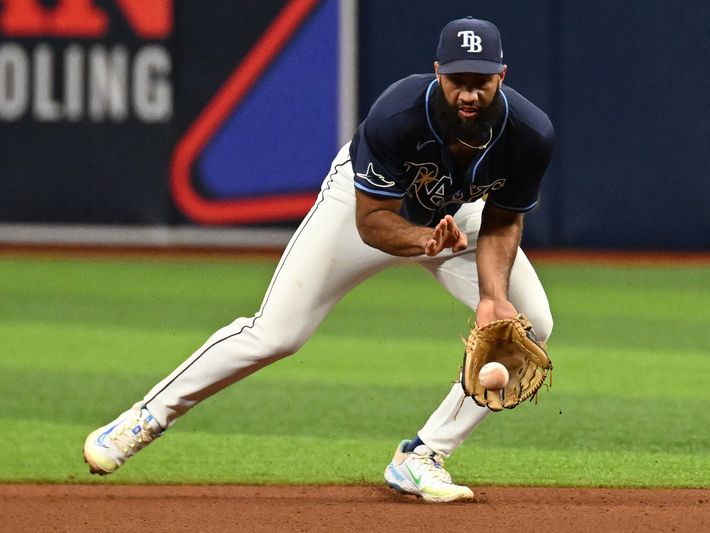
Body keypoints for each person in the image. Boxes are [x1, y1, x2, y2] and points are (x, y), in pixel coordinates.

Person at [83, 16, 554, 503]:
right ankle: (145, 417)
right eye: (458, 80)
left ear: (502, 75)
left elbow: (503, 220)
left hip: (460, 216)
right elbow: (371, 220)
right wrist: (422, 241)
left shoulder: (529, 134)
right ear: (438, 72)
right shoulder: (398, 115)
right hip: (364, 208)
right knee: (276, 333)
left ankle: (421, 457)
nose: (469, 94)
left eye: (481, 81)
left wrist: (492, 298)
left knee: (530, 323)